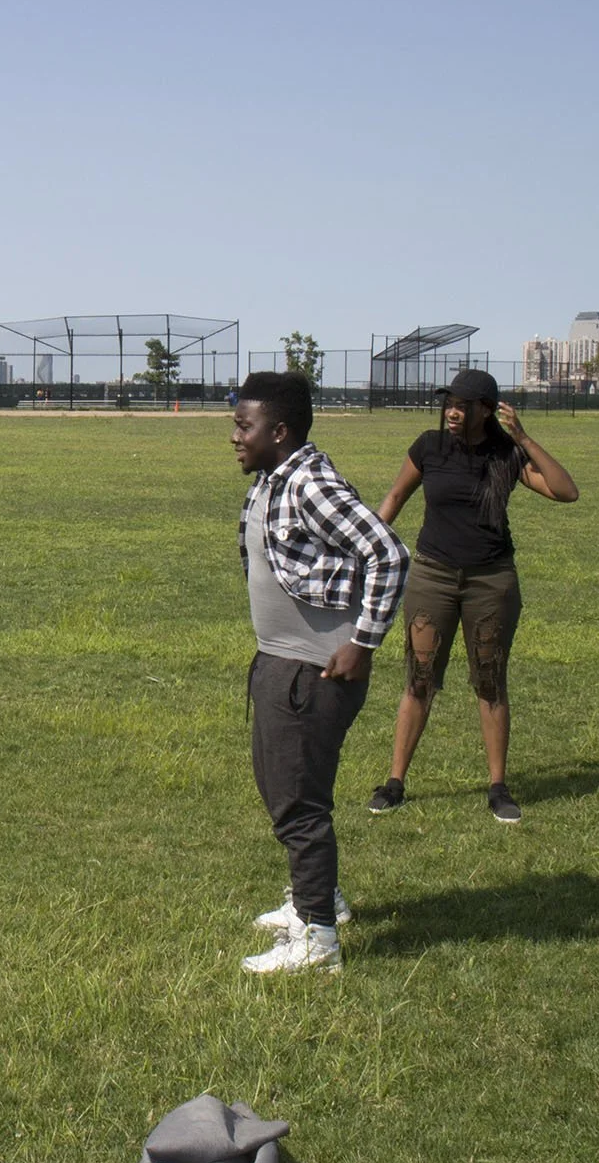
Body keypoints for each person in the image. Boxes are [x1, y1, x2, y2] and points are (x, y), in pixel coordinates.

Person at [231, 372, 408, 974]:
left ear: (279, 432)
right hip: (281, 661)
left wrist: (363, 643)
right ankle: (316, 897)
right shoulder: (272, 479)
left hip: (314, 672)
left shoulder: (308, 482)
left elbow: (387, 552)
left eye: (244, 426)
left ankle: (318, 939)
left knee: (298, 803)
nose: (234, 436)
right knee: (283, 788)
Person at [366, 369, 579, 823]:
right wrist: (368, 546)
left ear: (487, 410)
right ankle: (395, 782)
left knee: (489, 679)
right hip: (433, 575)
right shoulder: (429, 446)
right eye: (449, 403)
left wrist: (524, 438)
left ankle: (498, 787)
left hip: (491, 581)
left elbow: (566, 491)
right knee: (419, 677)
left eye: (463, 405)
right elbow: (396, 496)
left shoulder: (507, 455)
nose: (453, 412)